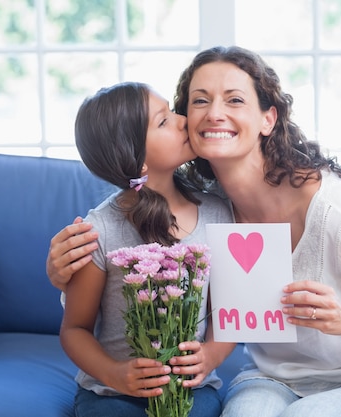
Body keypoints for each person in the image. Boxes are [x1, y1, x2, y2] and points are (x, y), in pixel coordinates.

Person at [49, 46, 341, 417]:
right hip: (274, 380)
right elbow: (121, 284)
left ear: (267, 118)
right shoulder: (214, 207)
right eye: (199, 100)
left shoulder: (333, 208)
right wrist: (63, 275)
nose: (212, 113)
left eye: (235, 99)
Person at [58, 81, 235, 417]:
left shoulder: (218, 214)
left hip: (189, 392)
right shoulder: (100, 230)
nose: (182, 119)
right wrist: (115, 375)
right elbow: (74, 329)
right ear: (136, 159)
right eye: (164, 121)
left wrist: (210, 356)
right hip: (111, 395)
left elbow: (226, 314)